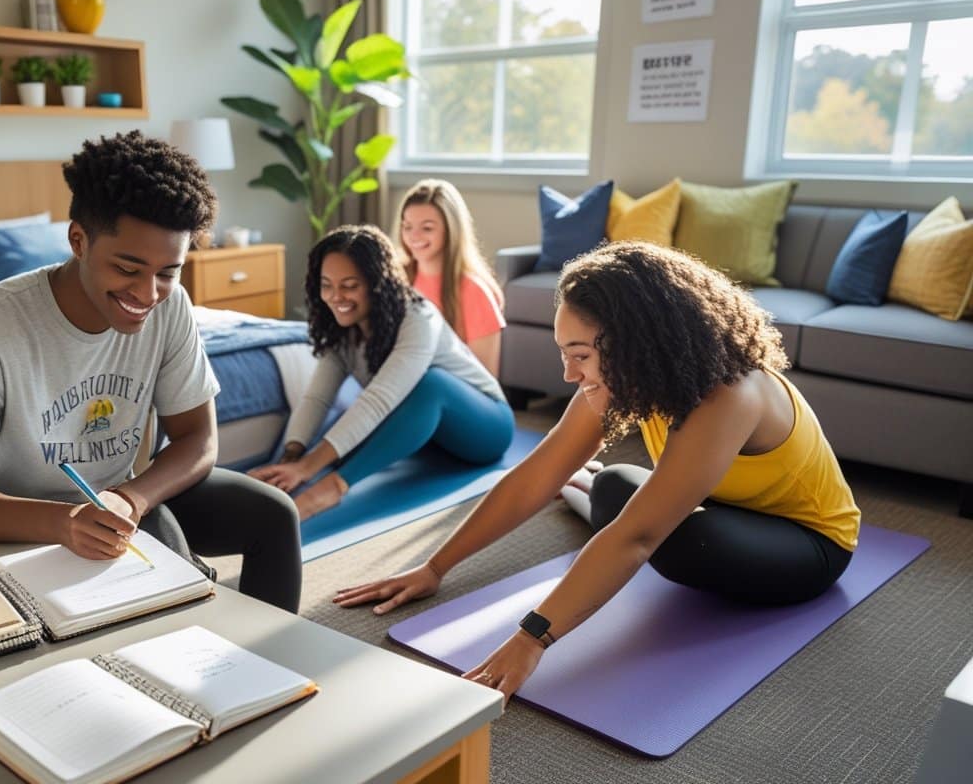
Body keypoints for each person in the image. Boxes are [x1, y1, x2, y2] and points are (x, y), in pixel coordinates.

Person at [334, 241, 861, 699]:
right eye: (565, 353)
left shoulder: (730, 395)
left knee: (654, 535)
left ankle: (592, 495)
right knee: (612, 487)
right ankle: (588, 489)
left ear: (636, 344)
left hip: (809, 545)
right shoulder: (627, 376)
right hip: (724, 506)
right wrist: (435, 567)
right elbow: (535, 474)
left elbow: (638, 537)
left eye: (581, 354)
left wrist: (531, 639)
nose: (569, 373)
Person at [0, 131, 302, 612]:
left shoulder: (171, 307)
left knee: (273, 515)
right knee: (172, 590)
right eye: (128, 269)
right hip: (12, 523)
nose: (148, 294)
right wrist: (64, 522)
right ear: (78, 240)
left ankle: (270, 651)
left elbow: (198, 439)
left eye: (167, 272)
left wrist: (131, 499)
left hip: (114, 504)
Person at [247, 225, 514, 519]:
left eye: (350, 286)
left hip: (487, 428)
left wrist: (308, 468)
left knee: (431, 384)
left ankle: (332, 489)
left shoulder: (419, 317)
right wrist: (290, 458)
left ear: (377, 284)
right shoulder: (342, 330)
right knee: (338, 442)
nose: (336, 297)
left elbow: (379, 400)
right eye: (326, 285)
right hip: (429, 441)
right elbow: (317, 398)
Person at [394, 179, 506, 376]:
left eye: (427, 228)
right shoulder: (397, 279)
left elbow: (484, 378)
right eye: (407, 227)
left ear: (451, 231)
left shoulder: (475, 291)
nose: (414, 236)